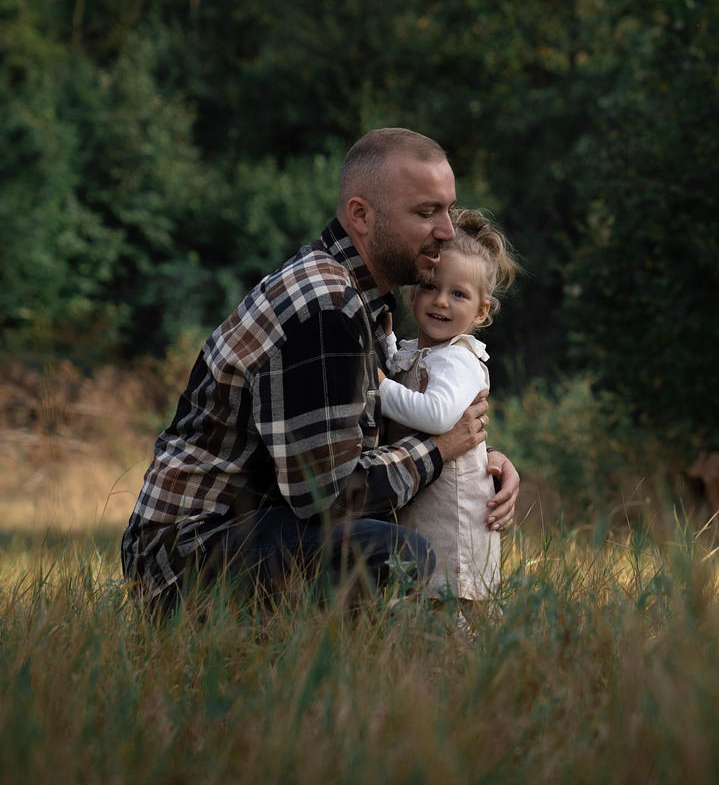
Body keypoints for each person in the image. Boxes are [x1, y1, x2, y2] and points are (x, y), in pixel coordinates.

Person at [120, 128, 520, 616]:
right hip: (187, 560)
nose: (446, 230)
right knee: (393, 552)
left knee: (391, 547)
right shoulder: (325, 309)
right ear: (361, 215)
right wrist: (441, 448)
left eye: (446, 209)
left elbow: (357, 438)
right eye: (425, 212)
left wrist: (477, 459)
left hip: (253, 530)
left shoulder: (361, 300)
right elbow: (328, 497)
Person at [378, 209, 520, 618]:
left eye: (458, 294)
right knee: (428, 606)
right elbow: (408, 369)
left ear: (480, 312)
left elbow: (438, 415)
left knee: (453, 609)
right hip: (424, 505)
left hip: (455, 514)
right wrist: (387, 344)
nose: (441, 301)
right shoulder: (424, 353)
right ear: (411, 294)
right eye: (430, 287)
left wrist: (380, 387)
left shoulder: (458, 360)